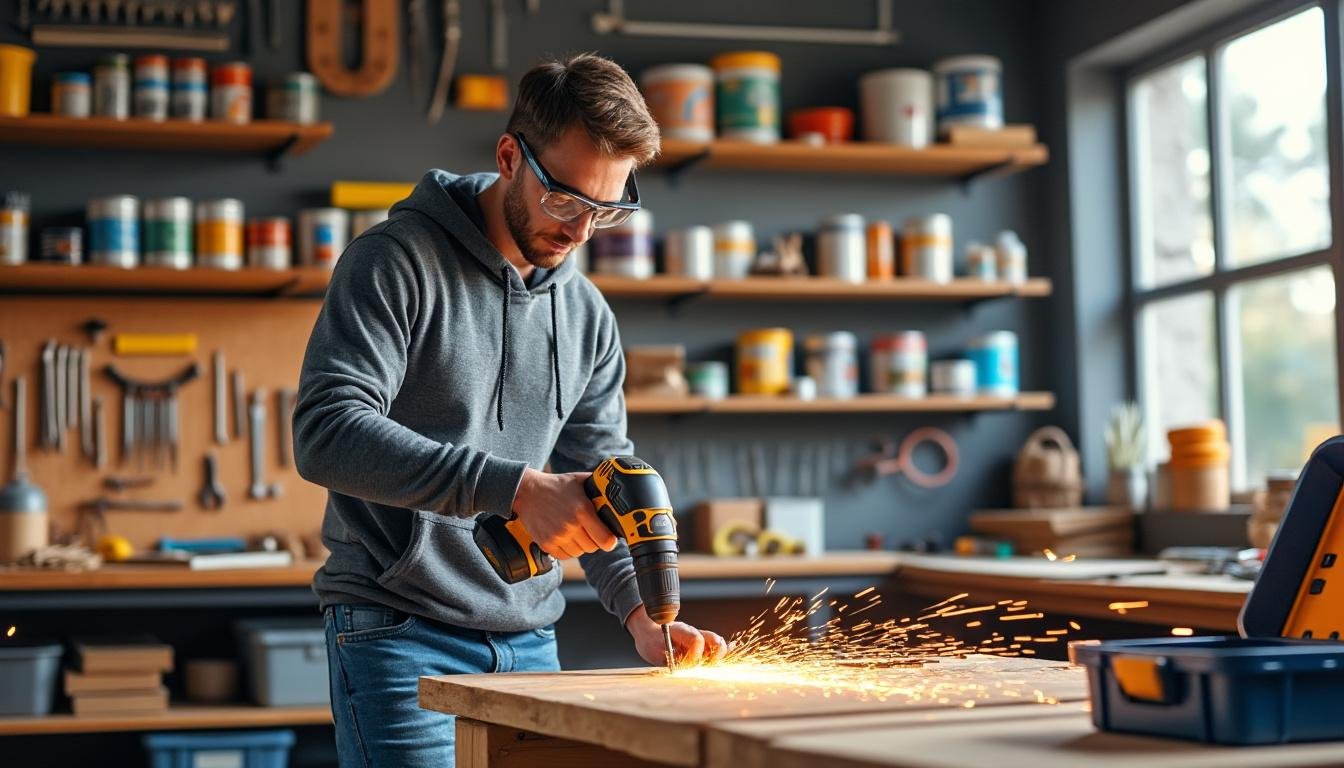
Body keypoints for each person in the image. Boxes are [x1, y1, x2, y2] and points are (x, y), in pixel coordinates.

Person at [292, 52, 728, 768]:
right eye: (565, 200)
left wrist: (642, 613)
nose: (580, 231)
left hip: (531, 637)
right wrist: (518, 488)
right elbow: (326, 432)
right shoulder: (395, 262)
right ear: (508, 158)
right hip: (399, 629)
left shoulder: (586, 313)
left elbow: (605, 480)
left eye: (606, 209)